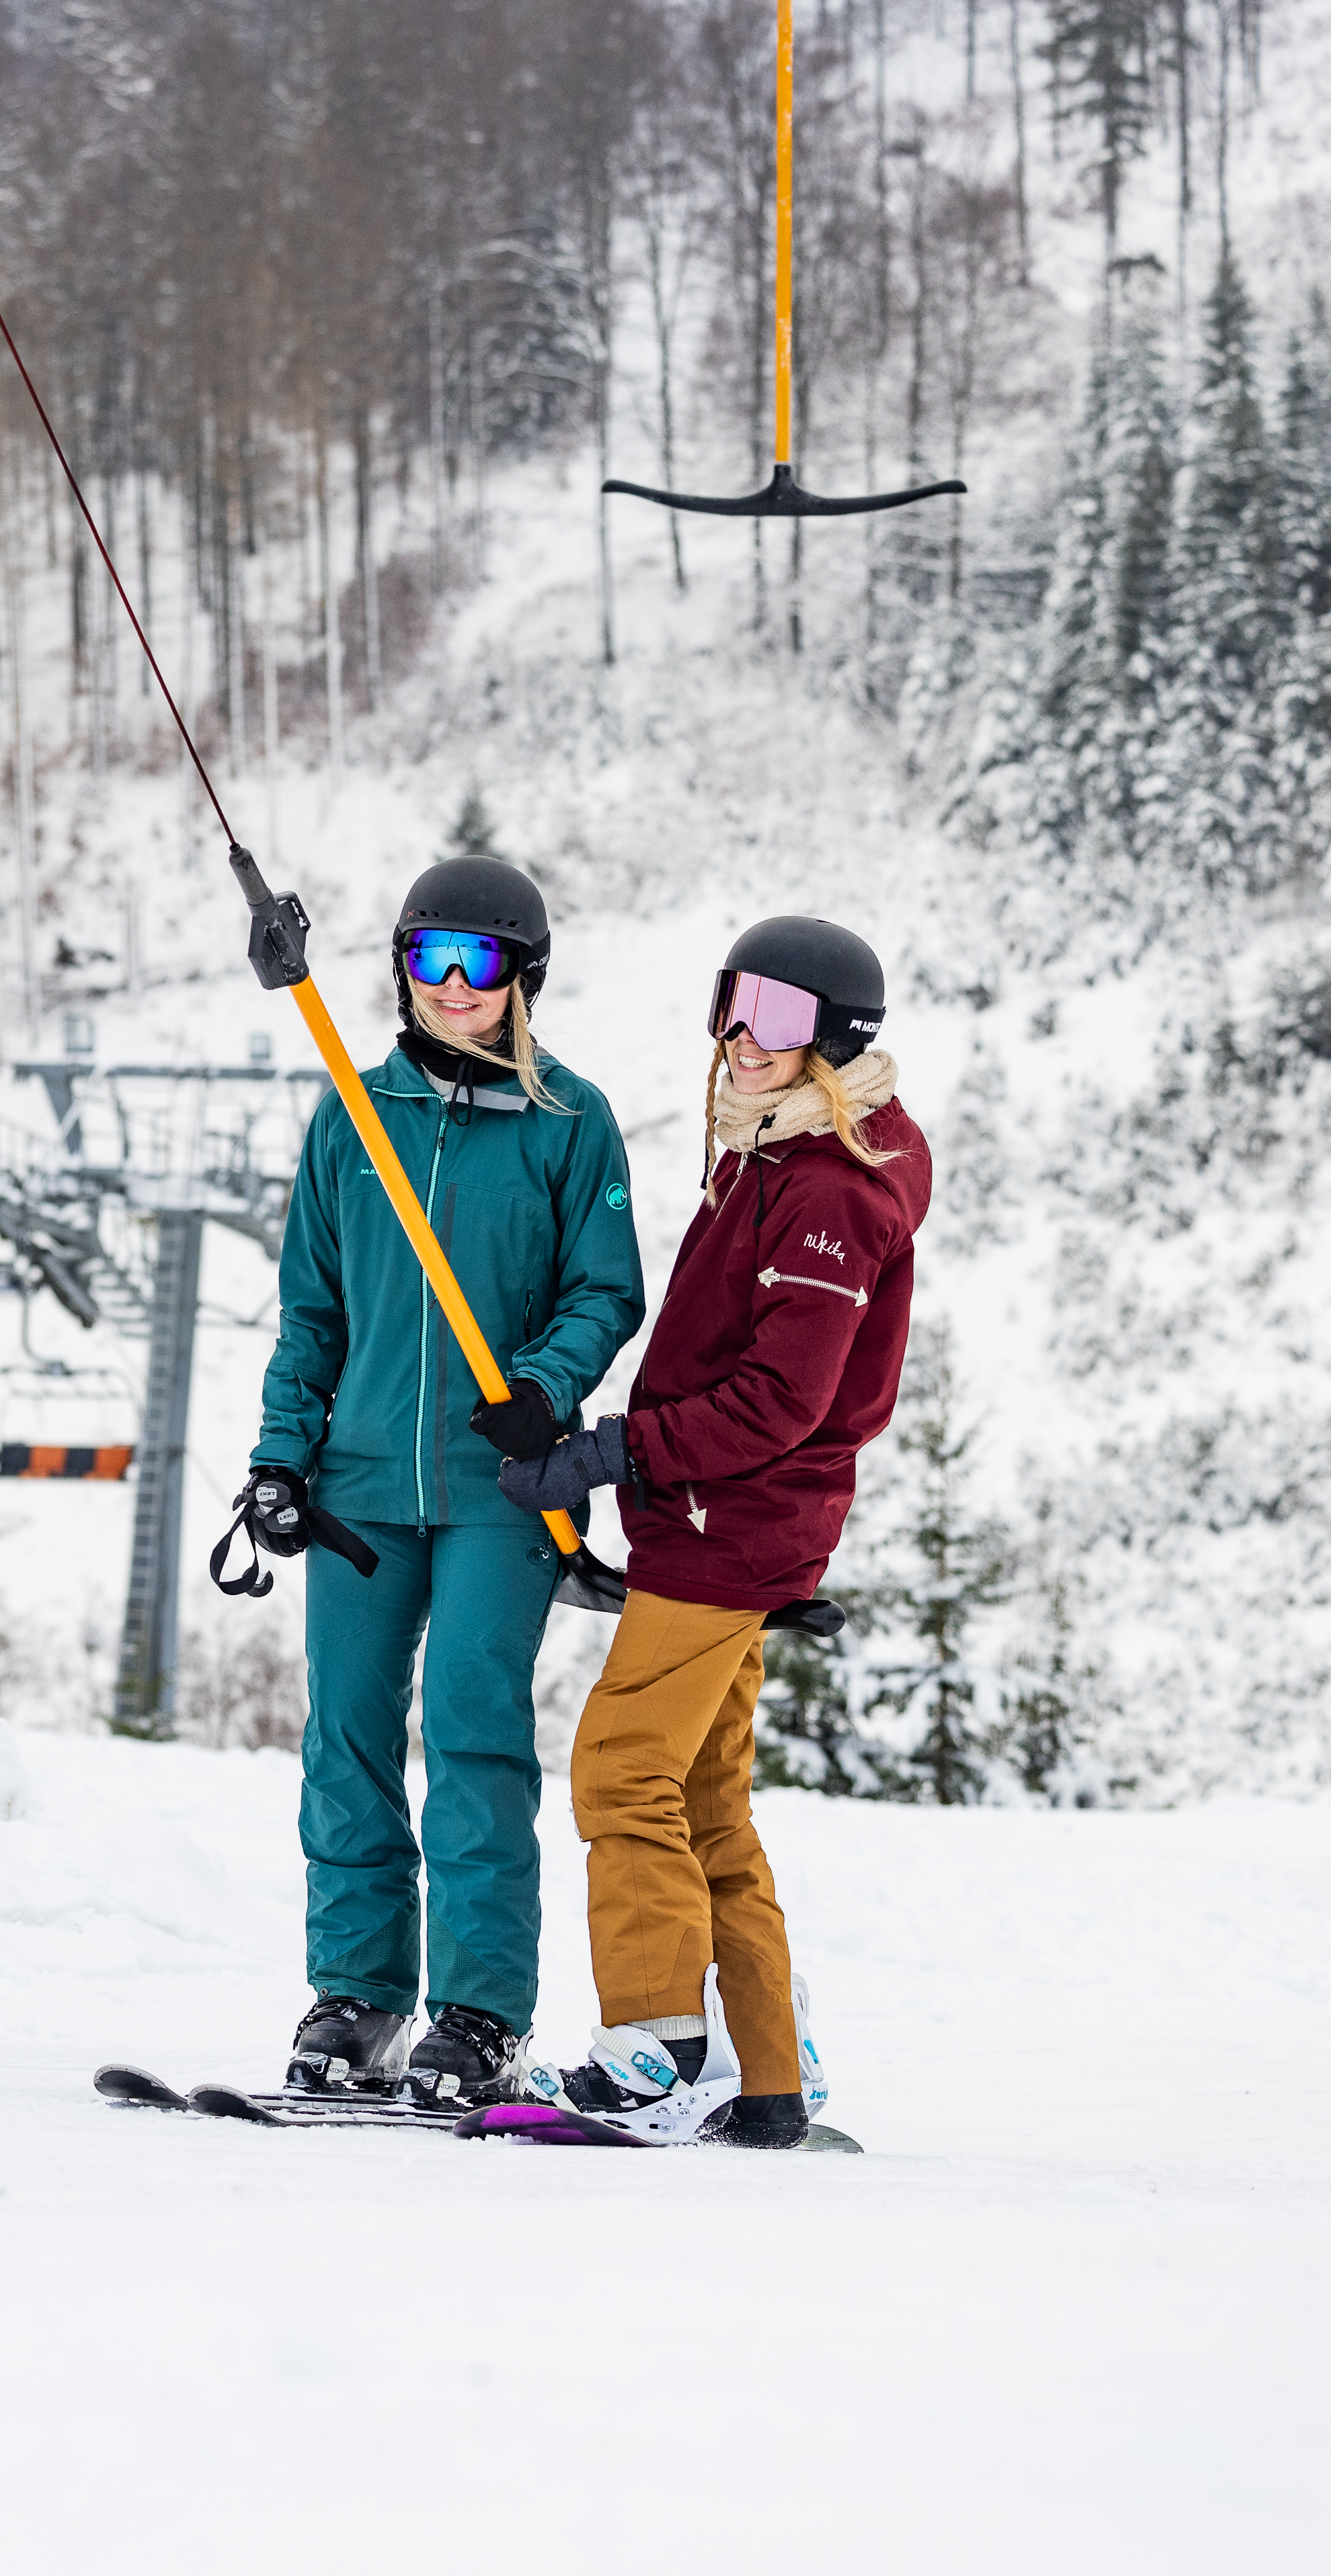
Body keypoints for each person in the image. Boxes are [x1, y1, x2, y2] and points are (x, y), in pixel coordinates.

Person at [491, 915, 929, 2147]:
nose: (745, 1037)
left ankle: (651, 2049)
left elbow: (782, 1402)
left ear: (838, 1040)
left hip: (727, 1525)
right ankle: (765, 2065)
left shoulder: (829, 1190)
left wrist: (618, 1449)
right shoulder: (780, 1150)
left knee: (622, 1770)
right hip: (727, 1521)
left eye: (780, 1019)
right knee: (700, 1798)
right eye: (734, 1002)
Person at [234, 856, 645, 2107]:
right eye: (427, 961)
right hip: (360, 1482)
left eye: (475, 964)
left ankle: (477, 2015)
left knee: (471, 1735)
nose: (451, 988)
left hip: (497, 1487)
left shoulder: (573, 1122)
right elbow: (313, 1310)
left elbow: (605, 1289)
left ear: (521, 977)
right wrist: (278, 1455)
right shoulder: (354, 1119)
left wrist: (544, 1379)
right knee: (345, 1738)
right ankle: (357, 1997)